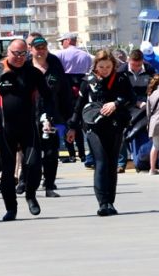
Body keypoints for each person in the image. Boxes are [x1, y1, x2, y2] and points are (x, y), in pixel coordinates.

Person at [0, 37, 45, 220]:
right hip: (5, 129)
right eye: (15, 53)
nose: (19, 57)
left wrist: (48, 117)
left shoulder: (33, 72)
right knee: (7, 169)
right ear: (8, 52)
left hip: (29, 127)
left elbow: (49, 96)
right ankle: (11, 208)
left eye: (23, 53)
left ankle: (30, 195)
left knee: (34, 165)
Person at [67, 50, 135, 216]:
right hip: (94, 126)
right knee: (101, 162)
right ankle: (102, 202)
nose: (105, 70)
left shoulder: (121, 79)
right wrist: (72, 127)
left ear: (114, 65)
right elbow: (79, 105)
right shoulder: (88, 81)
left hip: (115, 124)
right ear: (95, 66)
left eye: (108, 66)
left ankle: (110, 202)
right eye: (101, 66)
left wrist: (116, 103)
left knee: (112, 164)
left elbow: (131, 98)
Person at [26, 34, 71, 198]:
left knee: (52, 152)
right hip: (29, 116)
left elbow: (65, 92)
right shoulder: (25, 67)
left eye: (43, 48)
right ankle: (26, 182)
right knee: (31, 153)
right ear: (30, 50)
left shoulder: (55, 66)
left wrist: (68, 119)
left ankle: (49, 185)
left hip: (53, 115)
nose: (41, 51)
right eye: (37, 49)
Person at [58, 32, 91, 164]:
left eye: (62, 42)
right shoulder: (86, 55)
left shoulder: (60, 55)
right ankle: (82, 154)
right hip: (82, 86)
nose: (61, 44)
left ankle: (71, 153)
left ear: (67, 41)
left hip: (66, 88)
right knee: (81, 120)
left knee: (68, 121)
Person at [121, 50, 154, 173]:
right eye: (134, 65)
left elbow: (155, 85)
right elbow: (120, 92)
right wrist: (135, 102)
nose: (136, 68)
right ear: (129, 60)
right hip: (127, 105)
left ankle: (143, 160)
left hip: (145, 105)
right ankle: (122, 161)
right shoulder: (121, 71)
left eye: (139, 65)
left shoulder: (149, 69)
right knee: (125, 131)